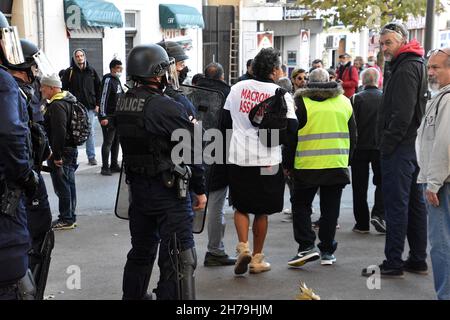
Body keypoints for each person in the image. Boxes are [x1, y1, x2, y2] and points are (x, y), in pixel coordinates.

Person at [116, 44, 206, 300]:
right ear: (157, 73)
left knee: (141, 252)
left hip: (139, 192)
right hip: (168, 193)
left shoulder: (124, 102)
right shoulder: (163, 106)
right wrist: (200, 189)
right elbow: (194, 148)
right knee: (179, 257)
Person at [362, 22, 428, 279]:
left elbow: (402, 114)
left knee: (397, 205)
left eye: (388, 42)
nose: (384, 48)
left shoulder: (406, 67)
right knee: (413, 203)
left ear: (402, 40)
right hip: (409, 146)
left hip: (401, 147)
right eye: (381, 43)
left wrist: (387, 144)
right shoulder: (410, 64)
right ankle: (416, 258)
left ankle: (394, 261)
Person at [224, 48, 298, 275]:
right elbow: (293, 129)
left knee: (240, 205)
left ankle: (242, 246)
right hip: (268, 160)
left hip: (240, 158)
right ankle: (257, 259)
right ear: (275, 70)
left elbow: (225, 122)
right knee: (262, 210)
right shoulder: (281, 93)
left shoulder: (236, 89)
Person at [286, 68, 356, 267]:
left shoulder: (300, 102)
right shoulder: (344, 102)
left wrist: (287, 164)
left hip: (306, 166)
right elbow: (354, 135)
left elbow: (291, 137)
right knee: (330, 209)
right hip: (336, 165)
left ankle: (306, 246)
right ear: (329, 80)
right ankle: (327, 250)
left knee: (300, 206)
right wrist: (346, 160)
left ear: (308, 82)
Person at [8, 39, 54, 286]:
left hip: (19, 177)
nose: (36, 72)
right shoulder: (16, 91)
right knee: (36, 239)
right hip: (23, 181)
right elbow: (22, 136)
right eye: (33, 67)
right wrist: (28, 176)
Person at [0, 11, 38, 300]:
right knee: (14, 281)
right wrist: (25, 174)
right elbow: (12, 133)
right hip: (5, 200)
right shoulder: (4, 82)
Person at [416, 47, 450, 300]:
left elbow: (444, 143)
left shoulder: (447, 99)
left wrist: (433, 183)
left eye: (436, 67)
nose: (431, 72)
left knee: (442, 246)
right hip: (441, 181)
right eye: (430, 67)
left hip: (443, 184)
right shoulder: (442, 97)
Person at [195, 62, 235, 266]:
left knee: (190, 202)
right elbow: (231, 125)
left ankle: (185, 248)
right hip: (219, 154)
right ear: (221, 76)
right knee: (216, 204)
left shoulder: (192, 92)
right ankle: (215, 250)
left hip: (192, 151)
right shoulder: (227, 93)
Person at [41, 74, 79, 230]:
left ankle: (66, 218)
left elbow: (59, 132)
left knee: (62, 185)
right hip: (70, 148)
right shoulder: (68, 99)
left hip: (62, 151)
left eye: (43, 86)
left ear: (51, 87)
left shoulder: (57, 105)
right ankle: (70, 216)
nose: (41, 89)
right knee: (69, 184)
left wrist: (56, 156)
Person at [350, 68, 385, 234]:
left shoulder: (356, 98)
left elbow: (351, 124)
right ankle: (378, 213)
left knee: (359, 186)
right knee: (382, 182)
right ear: (378, 80)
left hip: (360, 148)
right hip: (380, 147)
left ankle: (362, 223)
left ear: (362, 81)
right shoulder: (385, 97)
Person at [62, 49, 101, 166]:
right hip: (75, 108)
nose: (80, 58)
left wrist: (98, 104)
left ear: (85, 56)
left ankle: (91, 156)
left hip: (89, 107)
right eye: (77, 56)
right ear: (74, 58)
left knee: (89, 131)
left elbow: (99, 88)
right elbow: (63, 89)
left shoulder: (91, 71)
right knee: (74, 132)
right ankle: (75, 156)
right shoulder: (69, 72)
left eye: (81, 55)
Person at [157, 41, 197, 118]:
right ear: (168, 68)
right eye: (181, 64)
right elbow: (194, 128)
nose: (184, 69)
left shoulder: (131, 96)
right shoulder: (179, 100)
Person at [99, 59, 124, 176]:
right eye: (119, 68)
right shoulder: (108, 80)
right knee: (108, 141)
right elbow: (103, 98)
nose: (121, 70)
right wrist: (103, 116)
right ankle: (105, 167)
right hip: (108, 116)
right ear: (113, 68)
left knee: (116, 141)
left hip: (117, 116)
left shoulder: (117, 80)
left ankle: (114, 164)